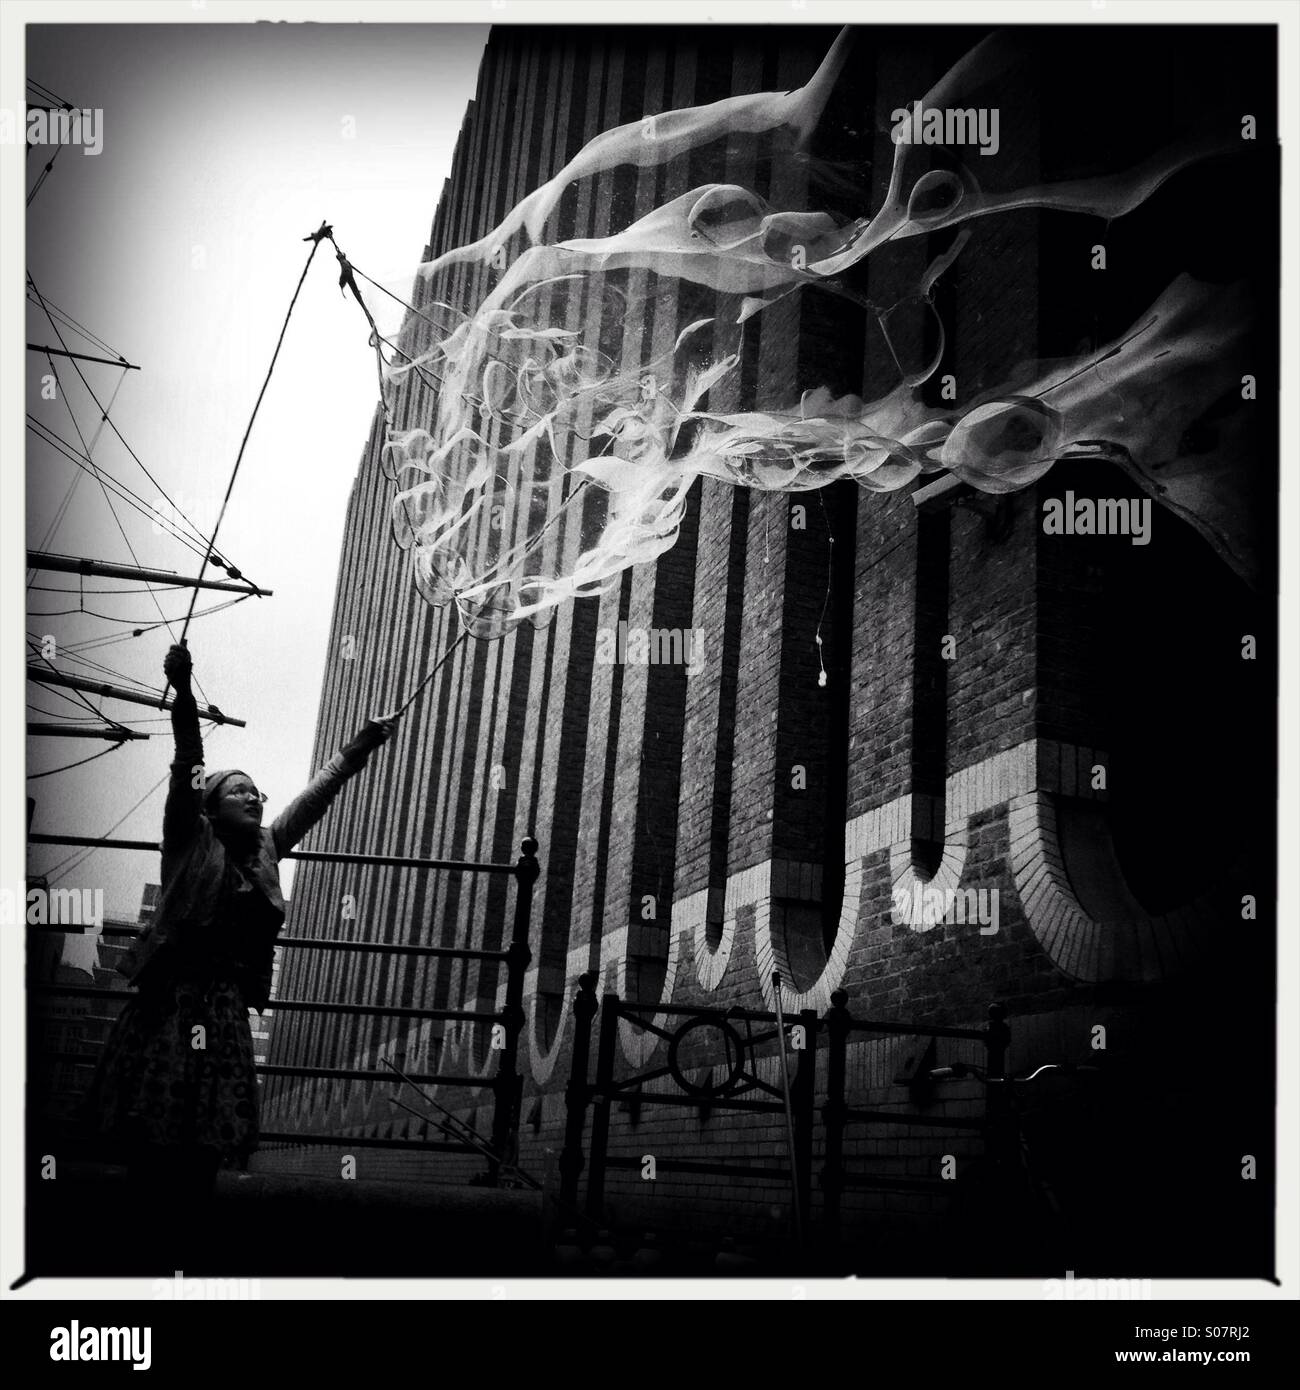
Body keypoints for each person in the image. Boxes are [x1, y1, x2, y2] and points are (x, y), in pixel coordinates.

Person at [87, 641, 397, 1267]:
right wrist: (182, 689)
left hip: (221, 1008)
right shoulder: (185, 833)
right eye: (241, 793)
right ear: (210, 804)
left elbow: (320, 792)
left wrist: (363, 744)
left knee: (204, 1138)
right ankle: (138, 1252)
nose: (256, 799)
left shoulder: (267, 848)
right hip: (170, 1004)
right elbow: (188, 759)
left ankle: (186, 1253)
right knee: (157, 1130)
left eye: (258, 793)